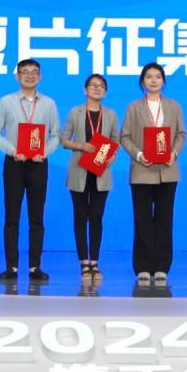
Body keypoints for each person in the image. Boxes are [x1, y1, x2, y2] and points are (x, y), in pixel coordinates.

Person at [0, 59, 61, 281]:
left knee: (36, 216)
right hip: (14, 163)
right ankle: (11, 267)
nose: (30, 76)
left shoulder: (49, 104)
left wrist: (45, 152)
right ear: (17, 76)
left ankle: (34, 267)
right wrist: (12, 151)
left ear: (40, 77)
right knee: (11, 216)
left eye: (34, 72)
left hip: (39, 164)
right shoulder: (6, 102)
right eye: (25, 72)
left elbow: (56, 135)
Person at [120, 62, 186, 285]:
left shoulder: (174, 106)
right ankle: (143, 266)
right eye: (149, 76)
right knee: (143, 219)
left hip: (168, 171)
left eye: (158, 76)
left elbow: (181, 134)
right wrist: (139, 155)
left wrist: (173, 153)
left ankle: (162, 267)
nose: (154, 80)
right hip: (142, 170)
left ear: (164, 82)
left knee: (165, 219)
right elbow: (124, 137)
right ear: (142, 82)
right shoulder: (133, 108)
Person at [60, 74, 120, 280]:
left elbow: (116, 139)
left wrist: (113, 155)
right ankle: (83, 262)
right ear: (85, 90)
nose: (97, 89)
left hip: (101, 172)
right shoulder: (75, 112)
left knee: (96, 217)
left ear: (106, 92)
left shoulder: (110, 114)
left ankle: (95, 261)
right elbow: (63, 140)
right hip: (79, 171)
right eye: (93, 85)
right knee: (80, 217)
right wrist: (81, 146)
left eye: (101, 86)